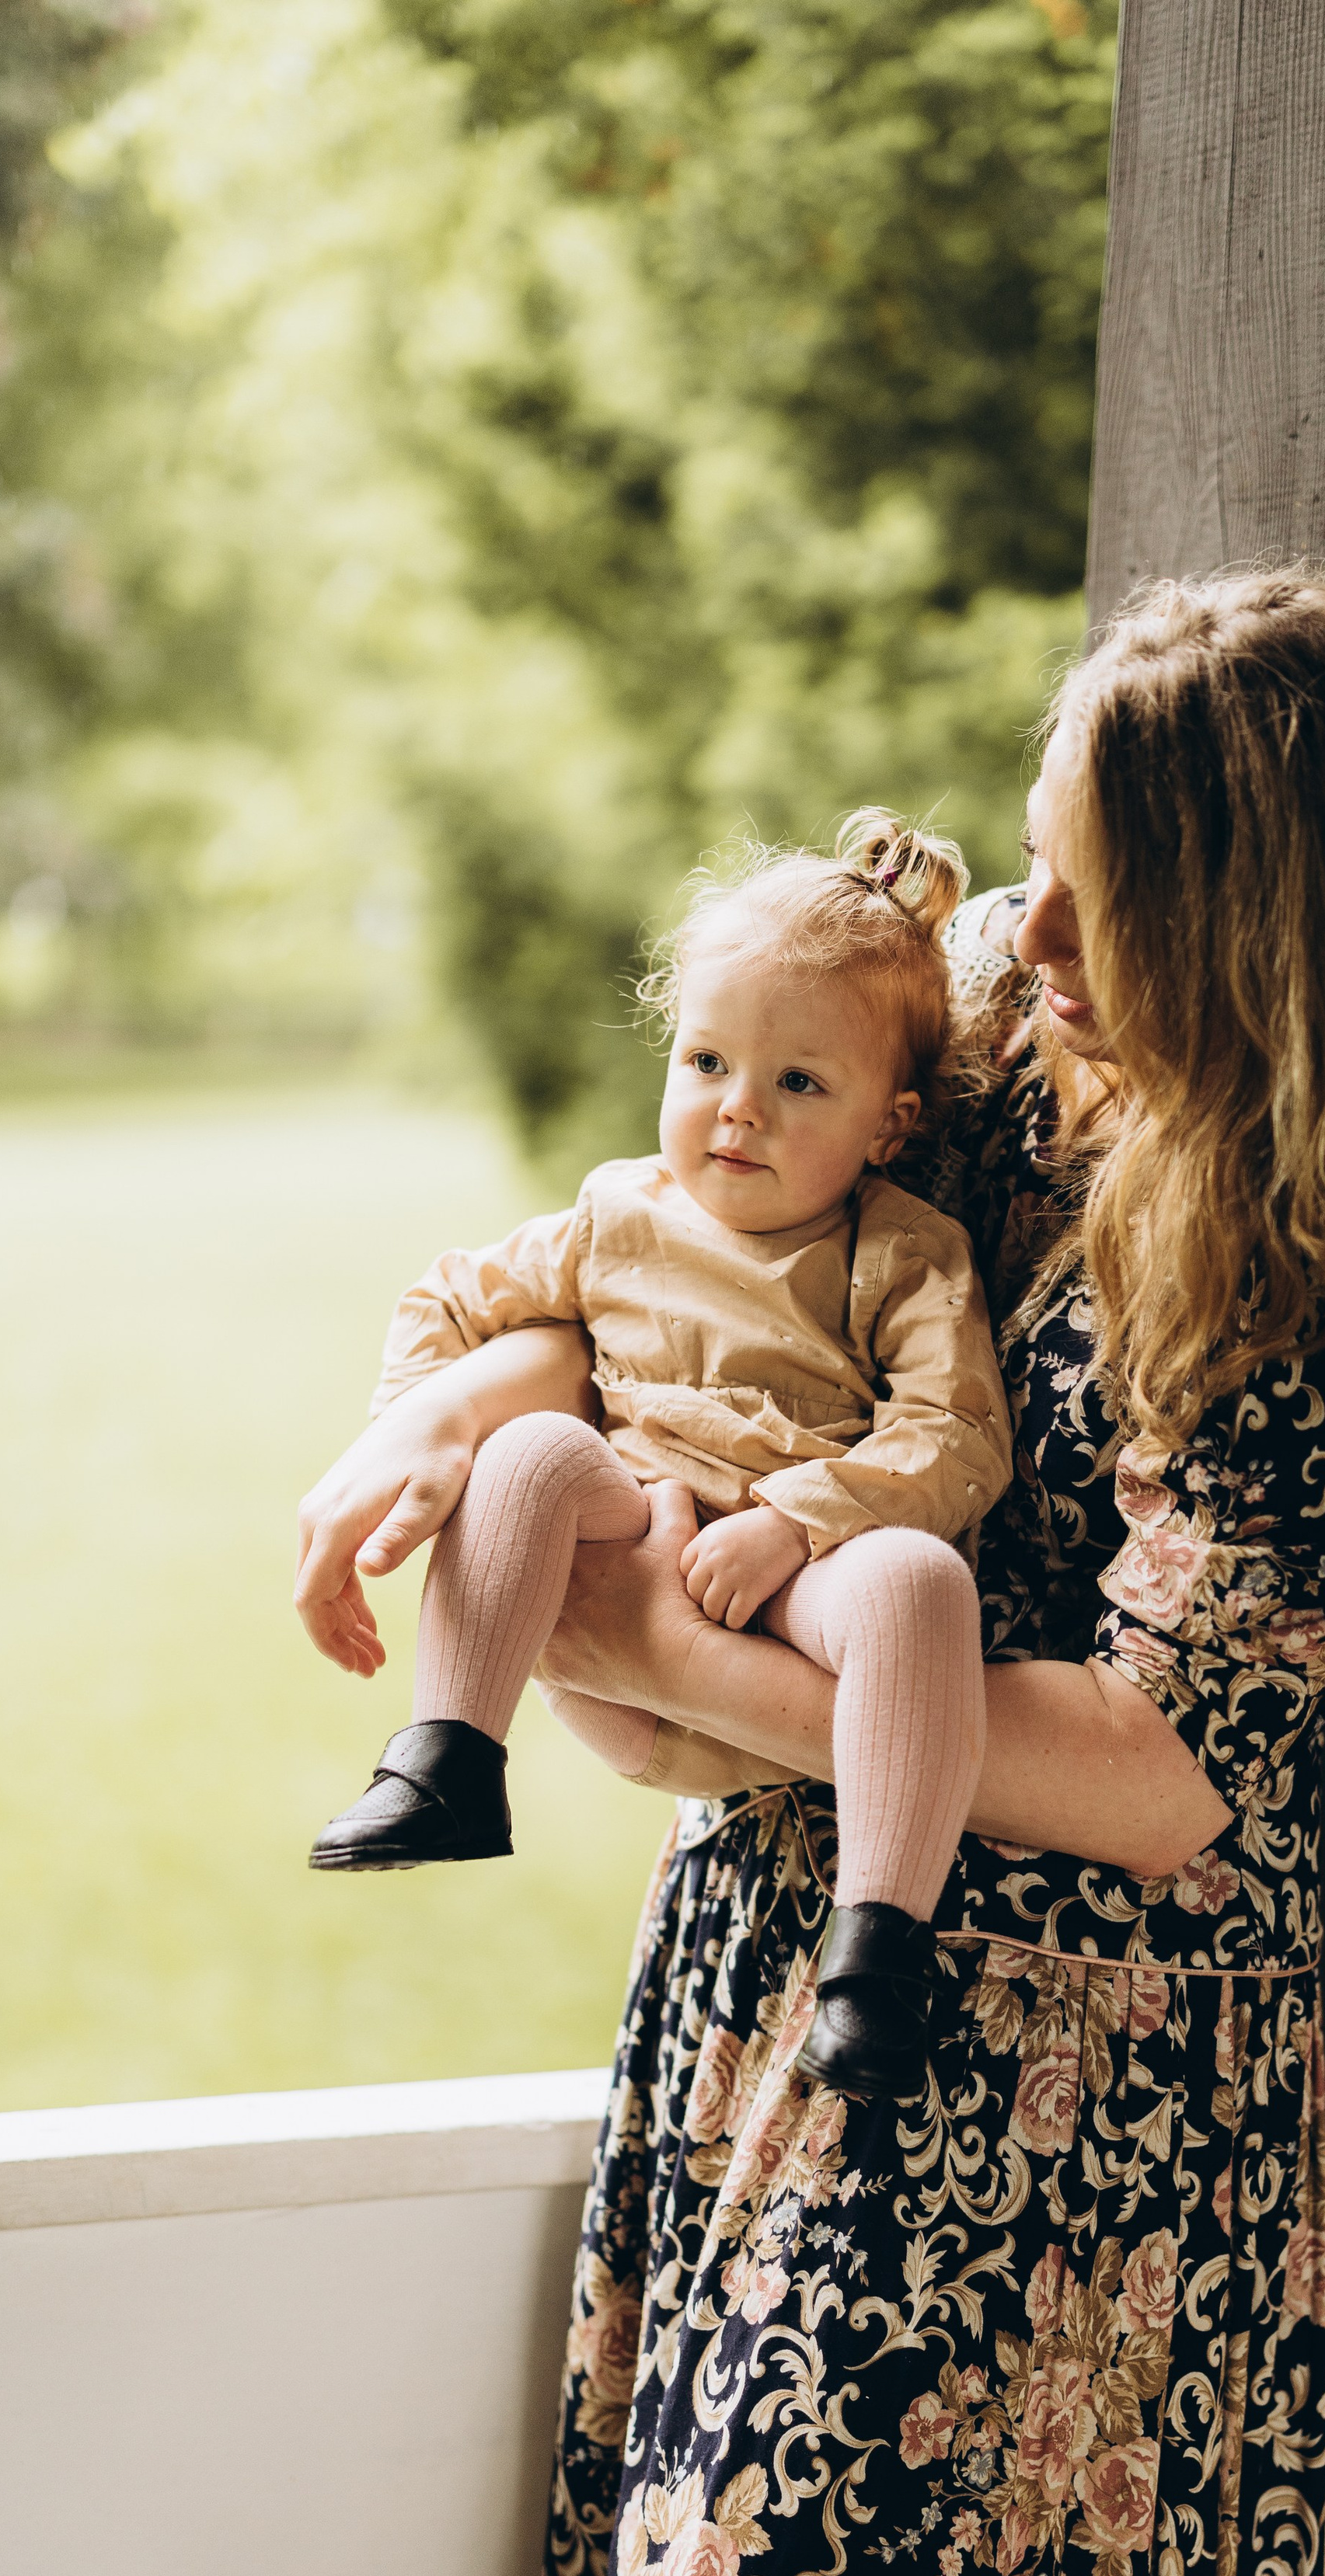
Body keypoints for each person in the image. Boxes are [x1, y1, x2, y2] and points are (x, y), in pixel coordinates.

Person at [293, 570, 1325, 2576]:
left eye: (1112, 900)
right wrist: (457, 1413)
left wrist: (659, 1647)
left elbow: (1165, 1767)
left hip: (1076, 2111)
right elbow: (671, 1254)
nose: (1034, 932)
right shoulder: (987, 1007)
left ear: (1276, 939)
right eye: (1044, 860)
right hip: (776, 1965)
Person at [305, 811, 1013, 2100]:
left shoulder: (904, 1253)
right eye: (706, 1060)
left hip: (796, 1608)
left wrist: (797, 1519)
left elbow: (954, 1431)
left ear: (890, 1124)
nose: (737, 1108)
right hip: (628, 1567)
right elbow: (448, 1299)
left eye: (799, 1083)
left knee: (920, 1582)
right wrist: (410, 1430)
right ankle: (449, 1758)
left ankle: (875, 1959)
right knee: (530, 1451)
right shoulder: (618, 1212)